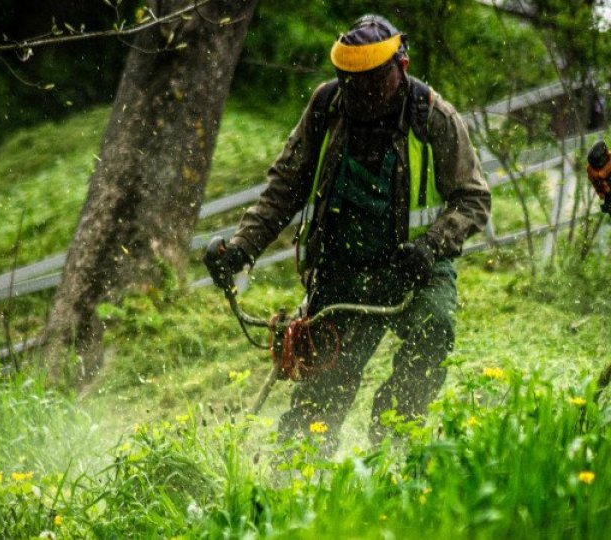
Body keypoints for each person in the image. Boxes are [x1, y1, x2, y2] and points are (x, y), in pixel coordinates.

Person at [205, 14, 491, 453]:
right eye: (350, 81)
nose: (359, 92)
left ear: (401, 66)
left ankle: (394, 441)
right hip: (342, 273)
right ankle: (299, 470)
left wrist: (431, 245)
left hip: (415, 268)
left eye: (372, 81)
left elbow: (472, 198)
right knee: (322, 389)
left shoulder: (432, 117)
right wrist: (243, 248)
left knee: (433, 329)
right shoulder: (326, 109)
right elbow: (285, 187)